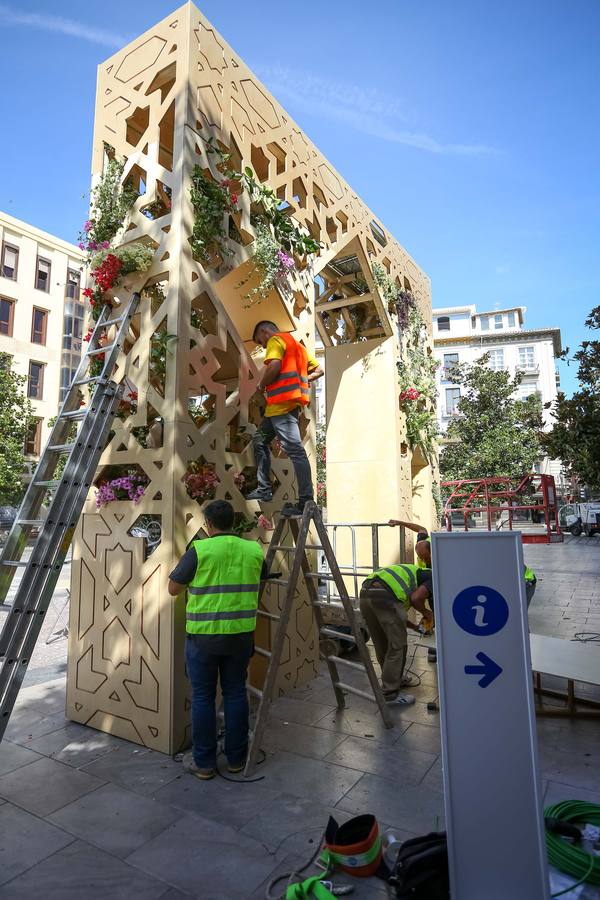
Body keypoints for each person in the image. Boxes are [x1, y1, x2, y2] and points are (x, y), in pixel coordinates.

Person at [168, 499, 265, 780]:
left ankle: (205, 764)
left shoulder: (200, 550)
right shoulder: (253, 550)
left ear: (208, 524)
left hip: (204, 639)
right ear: (232, 522)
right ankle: (236, 760)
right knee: (235, 694)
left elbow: (173, 589)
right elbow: (260, 582)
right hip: (240, 636)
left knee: (203, 697)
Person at [247, 321, 324, 514]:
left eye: (260, 342)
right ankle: (264, 489)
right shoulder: (297, 346)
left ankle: (306, 500)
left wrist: (261, 385)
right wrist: (301, 381)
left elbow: (273, 366)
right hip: (280, 408)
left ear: (265, 332)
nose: (263, 346)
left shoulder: (275, 340)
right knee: (259, 441)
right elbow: (319, 370)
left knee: (295, 451)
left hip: (282, 406)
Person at [359, 563, 434, 706]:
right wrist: (427, 613)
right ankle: (390, 694)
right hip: (384, 596)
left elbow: (395, 616)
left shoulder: (407, 575)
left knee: (383, 644)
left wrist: (415, 627)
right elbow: (416, 598)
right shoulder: (433, 576)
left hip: (365, 594)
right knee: (397, 647)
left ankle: (394, 679)